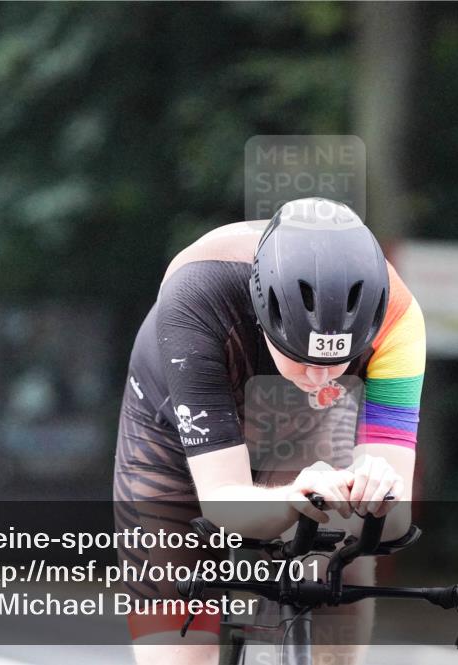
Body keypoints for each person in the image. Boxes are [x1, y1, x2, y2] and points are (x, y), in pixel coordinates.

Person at [113, 197, 425, 665]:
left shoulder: (399, 318)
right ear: (263, 314)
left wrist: (372, 486)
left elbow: (393, 521)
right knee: (180, 653)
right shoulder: (197, 294)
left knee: (340, 573)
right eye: (301, 357)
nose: (321, 376)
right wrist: (288, 496)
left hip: (308, 430)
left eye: (338, 360)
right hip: (170, 435)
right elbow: (223, 501)